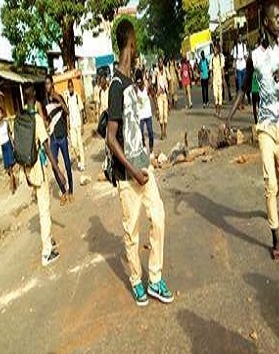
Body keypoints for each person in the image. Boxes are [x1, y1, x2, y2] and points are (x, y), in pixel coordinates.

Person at [107, 19, 174, 306]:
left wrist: (145, 154)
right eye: (136, 46)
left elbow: (134, 128)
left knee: (158, 219)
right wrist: (133, 170)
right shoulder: (114, 86)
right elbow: (111, 138)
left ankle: (155, 278)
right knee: (131, 232)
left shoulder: (132, 82)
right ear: (130, 44)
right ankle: (137, 280)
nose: (137, 51)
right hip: (127, 176)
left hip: (144, 170)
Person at [226, 1, 279, 261]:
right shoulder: (254, 56)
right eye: (276, 19)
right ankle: (276, 236)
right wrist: (229, 118)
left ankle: (271, 205)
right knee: (269, 182)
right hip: (264, 125)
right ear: (266, 22)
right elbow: (243, 88)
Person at [23, 85, 65, 267]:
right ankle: (46, 252)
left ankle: (49, 239)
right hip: (38, 170)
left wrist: (25, 174)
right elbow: (47, 148)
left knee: (43, 207)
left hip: (28, 169)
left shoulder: (21, 118)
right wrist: (59, 172)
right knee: (44, 210)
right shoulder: (37, 120)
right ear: (35, 98)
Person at [44, 75, 73, 205]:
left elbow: (67, 111)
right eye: (45, 84)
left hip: (62, 136)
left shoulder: (59, 97)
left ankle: (71, 190)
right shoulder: (45, 103)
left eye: (48, 83)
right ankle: (63, 191)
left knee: (67, 164)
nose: (47, 86)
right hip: (53, 138)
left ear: (52, 84)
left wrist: (59, 101)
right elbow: (47, 120)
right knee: (54, 166)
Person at [64, 79, 86, 172]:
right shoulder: (67, 98)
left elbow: (81, 111)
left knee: (80, 144)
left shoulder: (77, 96)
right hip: (72, 125)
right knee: (73, 145)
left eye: (71, 86)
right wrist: (67, 126)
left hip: (78, 124)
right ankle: (79, 160)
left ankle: (82, 163)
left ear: (73, 86)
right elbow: (67, 114)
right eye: (69, 87)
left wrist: (82, 126)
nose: (70, 88)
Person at [0, 106, 16, 194]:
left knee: (10, 167)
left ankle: (12, 186)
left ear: (3, 114)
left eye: (1, 113)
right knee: (7, 168)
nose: (0, 115)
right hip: (2, 146)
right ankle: (13, 178)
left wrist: (14, 145)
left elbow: (9, 134)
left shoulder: (6, 123)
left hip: (8, 145)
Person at [135, 68, 155, 154]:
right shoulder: (135, 89)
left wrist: (156, 108)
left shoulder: (147, 86)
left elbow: (153, 95)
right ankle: (143, 147)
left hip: (148, 113)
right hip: (140, 115)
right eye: (137, 83)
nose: (139, 84)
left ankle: (151, 148)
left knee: (150, 132)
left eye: (140, 82)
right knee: (140, 133)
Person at [153, 57, 171, 139]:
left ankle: (165, 131)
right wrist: (156, 92)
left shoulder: (166, 70)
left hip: (165, 94)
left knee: (165, 114)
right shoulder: (155, 72)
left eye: (161, 62)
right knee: (160, 114)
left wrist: (169, 91)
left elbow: (170, 80)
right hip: (159, 95)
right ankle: (161, 131)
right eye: (159, 63)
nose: (160, 64)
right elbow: (153, 83)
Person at [210, 43, 225, 118]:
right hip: (214, 79)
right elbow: (211, 70)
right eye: (214, 49)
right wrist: (211, 80)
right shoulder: (212, 58)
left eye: (216, 49)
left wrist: (223, 78)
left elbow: (222, 69)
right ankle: (216, 111)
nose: (214, 50)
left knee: (220, 96)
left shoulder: (221, 57)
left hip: (220, 79)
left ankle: (219, 112)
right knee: (215, 96)